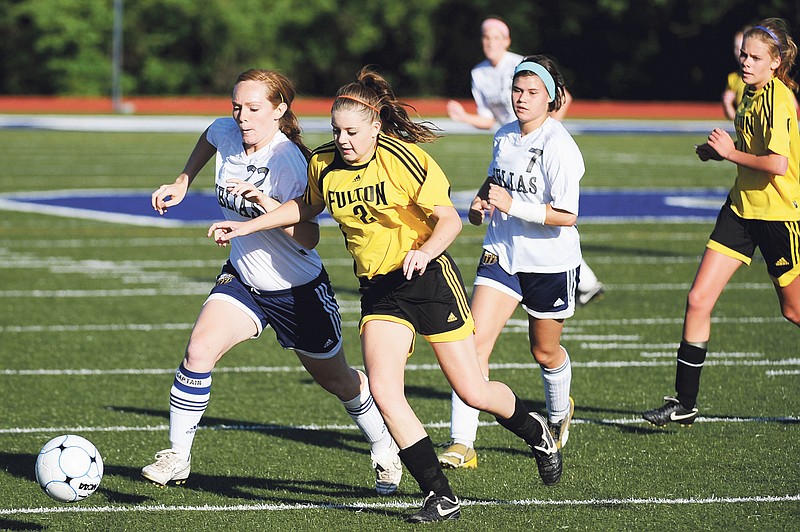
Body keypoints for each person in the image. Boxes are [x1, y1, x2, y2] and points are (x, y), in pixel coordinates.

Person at [208, 66, 562, 524]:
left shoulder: (404, 158)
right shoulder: (323, 163)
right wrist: (248, 222)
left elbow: (449, 220)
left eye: (353, 131)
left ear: (376, 126)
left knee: (473, 392)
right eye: (336, 131)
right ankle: (440, 495)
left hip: (429, 280)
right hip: (378, 290)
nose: (344, 140)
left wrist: (426, 251)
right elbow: (304, 209)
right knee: (385, 392)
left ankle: (534, 428)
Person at [142, 68, 403, 496]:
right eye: (237, 106)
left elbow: (310, 237)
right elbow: (210, 137)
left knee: (338, 381)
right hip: (244, 280)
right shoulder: (227, 131)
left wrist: (265, 206)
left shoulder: (288, 161)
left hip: (297, 288)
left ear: (280, 110)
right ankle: (177, 456)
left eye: (254, 108)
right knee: (199, 349)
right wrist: (183, 180)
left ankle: (383, 444)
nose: (242, 116)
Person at [643, 18, 800, 427]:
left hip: (779, 215)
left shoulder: (781, 99)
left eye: (755, 57)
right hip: (740, 209)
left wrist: (729, 154)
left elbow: (778, 166)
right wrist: (718, 153)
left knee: (794, 311)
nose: (745, 62)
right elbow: (749, 149)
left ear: (775, 62)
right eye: (743, 55)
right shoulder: (746, 91)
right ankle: (684, 403)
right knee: (698, 300)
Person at [440, 55, 580, 471]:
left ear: (550, 98)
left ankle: (557, 414)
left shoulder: (560, 146)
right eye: (517, 91)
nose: (521, 99)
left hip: (549, 261)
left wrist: (515, 205)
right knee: (472, 345)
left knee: (544, 350)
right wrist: (481, 201)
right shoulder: (503, 135)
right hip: (502, 254)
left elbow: (567, 215)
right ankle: (463, 442)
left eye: (532, 93)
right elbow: (495, 179)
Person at [446, 17, 604, 306]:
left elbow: (562, 96)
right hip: (509, 150)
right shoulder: (479, 74)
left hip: (533, 148)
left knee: (544, 352)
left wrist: (542, 132)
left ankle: (587, 282)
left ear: (507, 41)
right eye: (486, 37)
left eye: (497, 37)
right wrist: (465, 118)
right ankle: (586, 283)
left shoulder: (523, 67)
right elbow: (490, 121)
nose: (491, 43)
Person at [721, 26, 749, 120]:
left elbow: (793, 106)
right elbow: (736, 120)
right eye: (736, 48)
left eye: (742, 48)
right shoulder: (732, 78)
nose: (738, 52)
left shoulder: (768, 77)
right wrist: (727, 104)